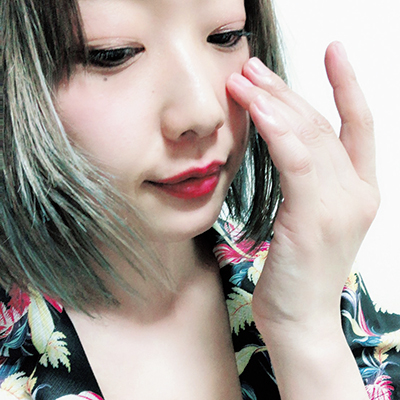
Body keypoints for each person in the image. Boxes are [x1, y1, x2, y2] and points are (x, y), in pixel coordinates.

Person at [1, 0, 399, 399]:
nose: (203, 113)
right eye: (113, 54)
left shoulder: (310, 280)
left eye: (225, 36)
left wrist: (307, 333)